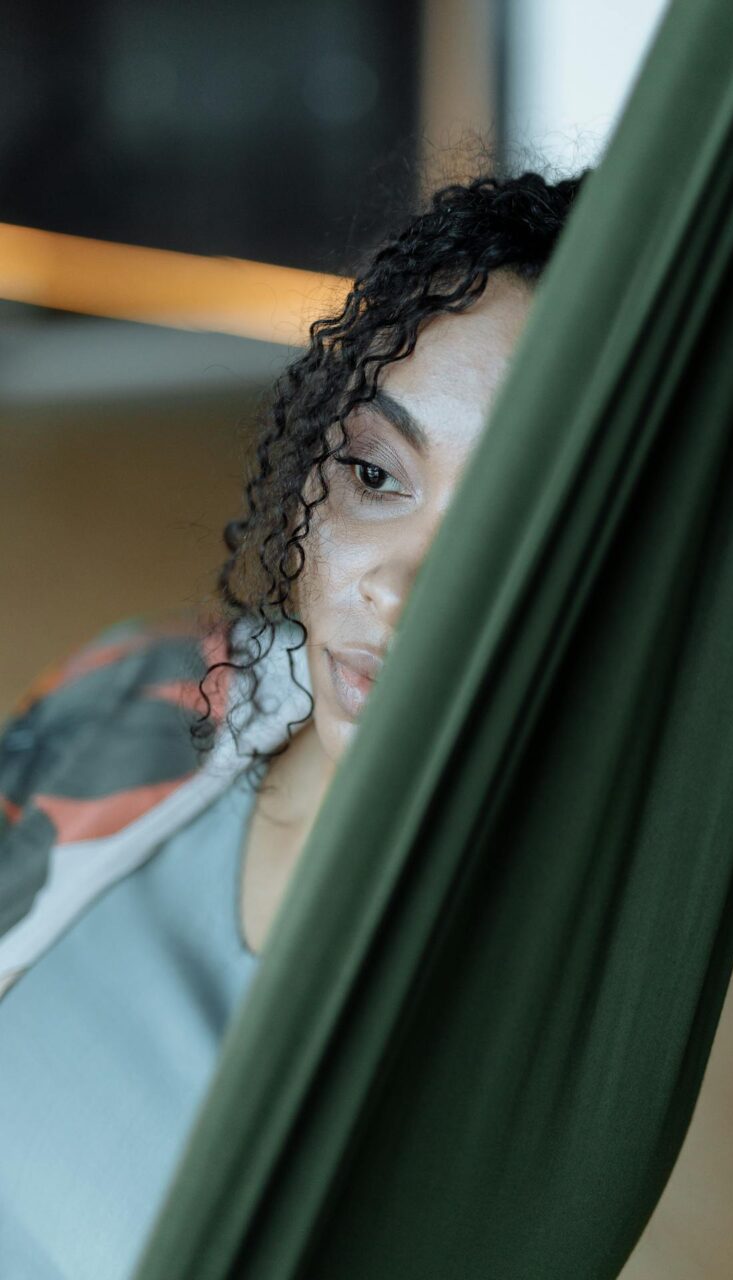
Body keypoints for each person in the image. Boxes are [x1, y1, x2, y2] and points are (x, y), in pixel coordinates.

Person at [0, 166, 588, 1279]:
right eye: (377, 472)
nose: (402, 589)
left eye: (518, 519)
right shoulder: (158, 684)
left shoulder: (537, 1015)